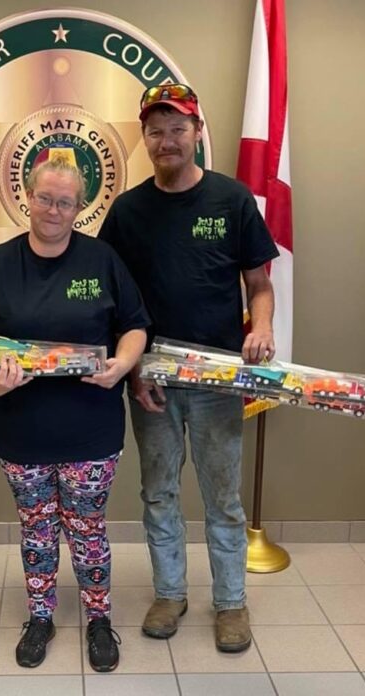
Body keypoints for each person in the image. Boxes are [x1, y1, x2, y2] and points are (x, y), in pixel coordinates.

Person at [98, 83, 279, 653]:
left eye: (178, 128)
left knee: (222, 497)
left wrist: (261, 327)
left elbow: (259, 284)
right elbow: (113, 301)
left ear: (197, 132)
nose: (167, 140)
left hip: (216, 379)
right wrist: (132, 370)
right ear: (145, 138)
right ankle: (169, 593)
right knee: (158, 492)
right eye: (156, 131)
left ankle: (231, 603)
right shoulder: (127, 211)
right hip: (151, 379)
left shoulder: (232, 200)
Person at [0, 158, 149, 672]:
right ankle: (40, 617)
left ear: (80, 207)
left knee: (88, 528)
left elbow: (134, 325)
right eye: (45, 198)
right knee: (37, 528)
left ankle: (99, 619)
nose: (53, 210)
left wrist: (122, 365)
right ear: (27, 196)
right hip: (22, 429)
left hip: (91, 427)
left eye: (65, 202)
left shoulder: (102, 259)